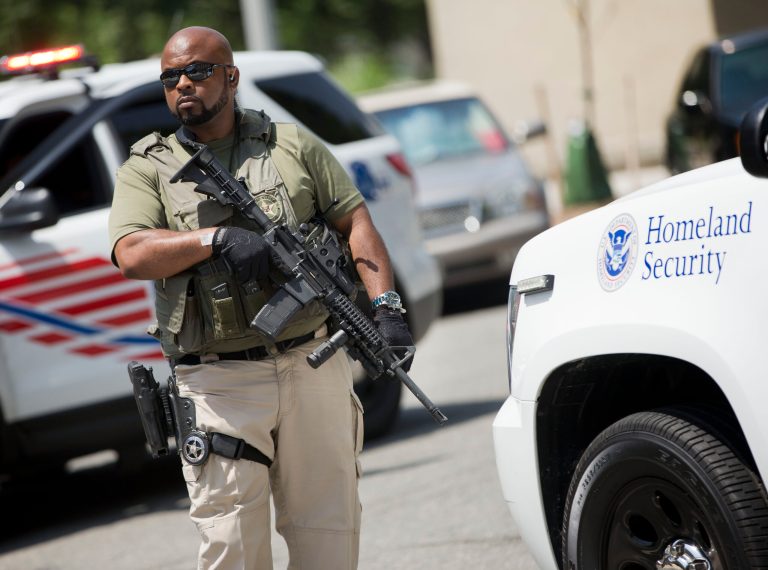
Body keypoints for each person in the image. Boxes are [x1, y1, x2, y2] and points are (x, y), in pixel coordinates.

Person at [108, 26, 413, 569]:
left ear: (231, 77)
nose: (183, 84)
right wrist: (214, 240)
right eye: (170, 77)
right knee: (232, 549)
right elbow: (132, 251)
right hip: (219, 384)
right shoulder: (147, 168)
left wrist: (386, 308)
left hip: (311, 363)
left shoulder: (291, 145)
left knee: (330, 540)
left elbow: (355, 221)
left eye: (198, 72)